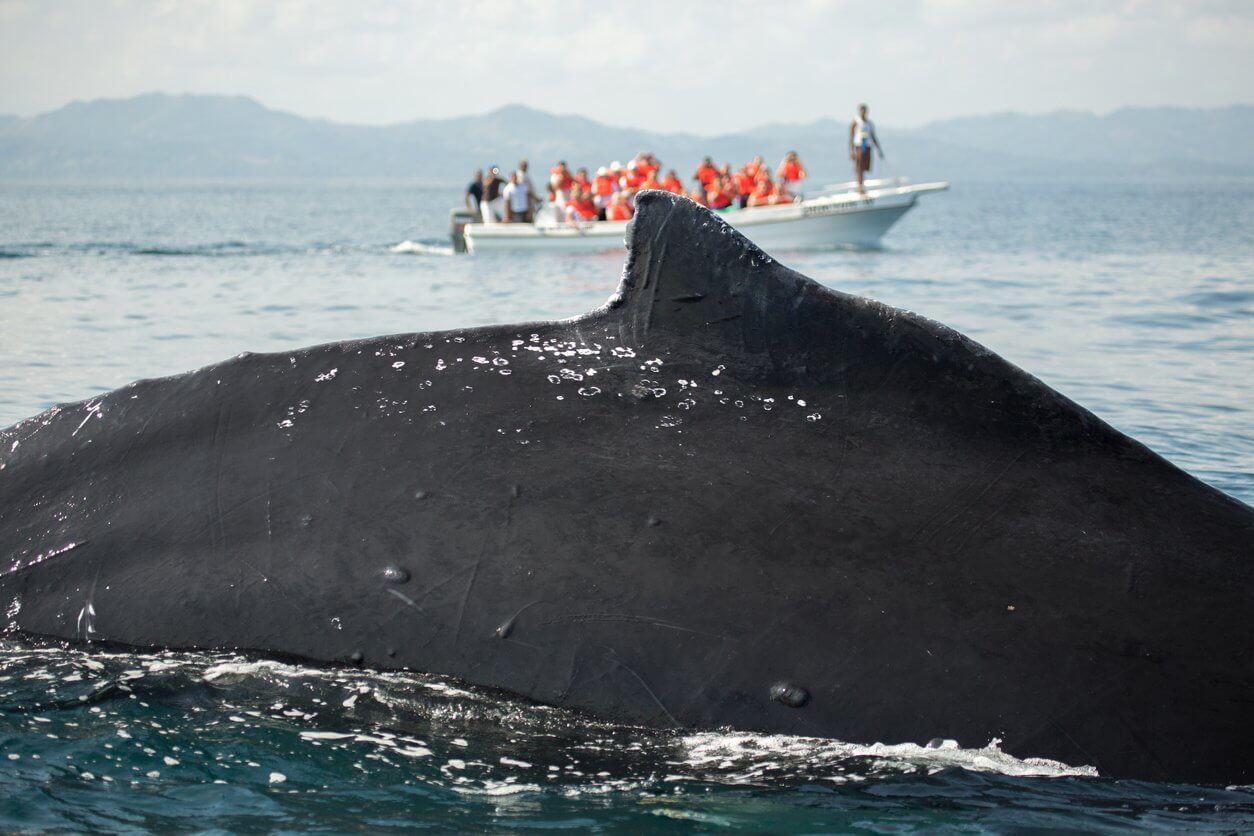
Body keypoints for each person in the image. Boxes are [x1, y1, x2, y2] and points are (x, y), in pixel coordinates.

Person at [849, 103, 884, 193]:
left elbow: (873, 136)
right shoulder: (856, 122)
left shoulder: (869, 123)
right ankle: (860, 187)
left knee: (865, 168)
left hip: (867, 146)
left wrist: (879, 149)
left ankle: (862, 184)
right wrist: (851, 151)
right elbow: (851, 137)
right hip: (859, 146)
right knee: (859, 168)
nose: (863, 113)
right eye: (861, 111)